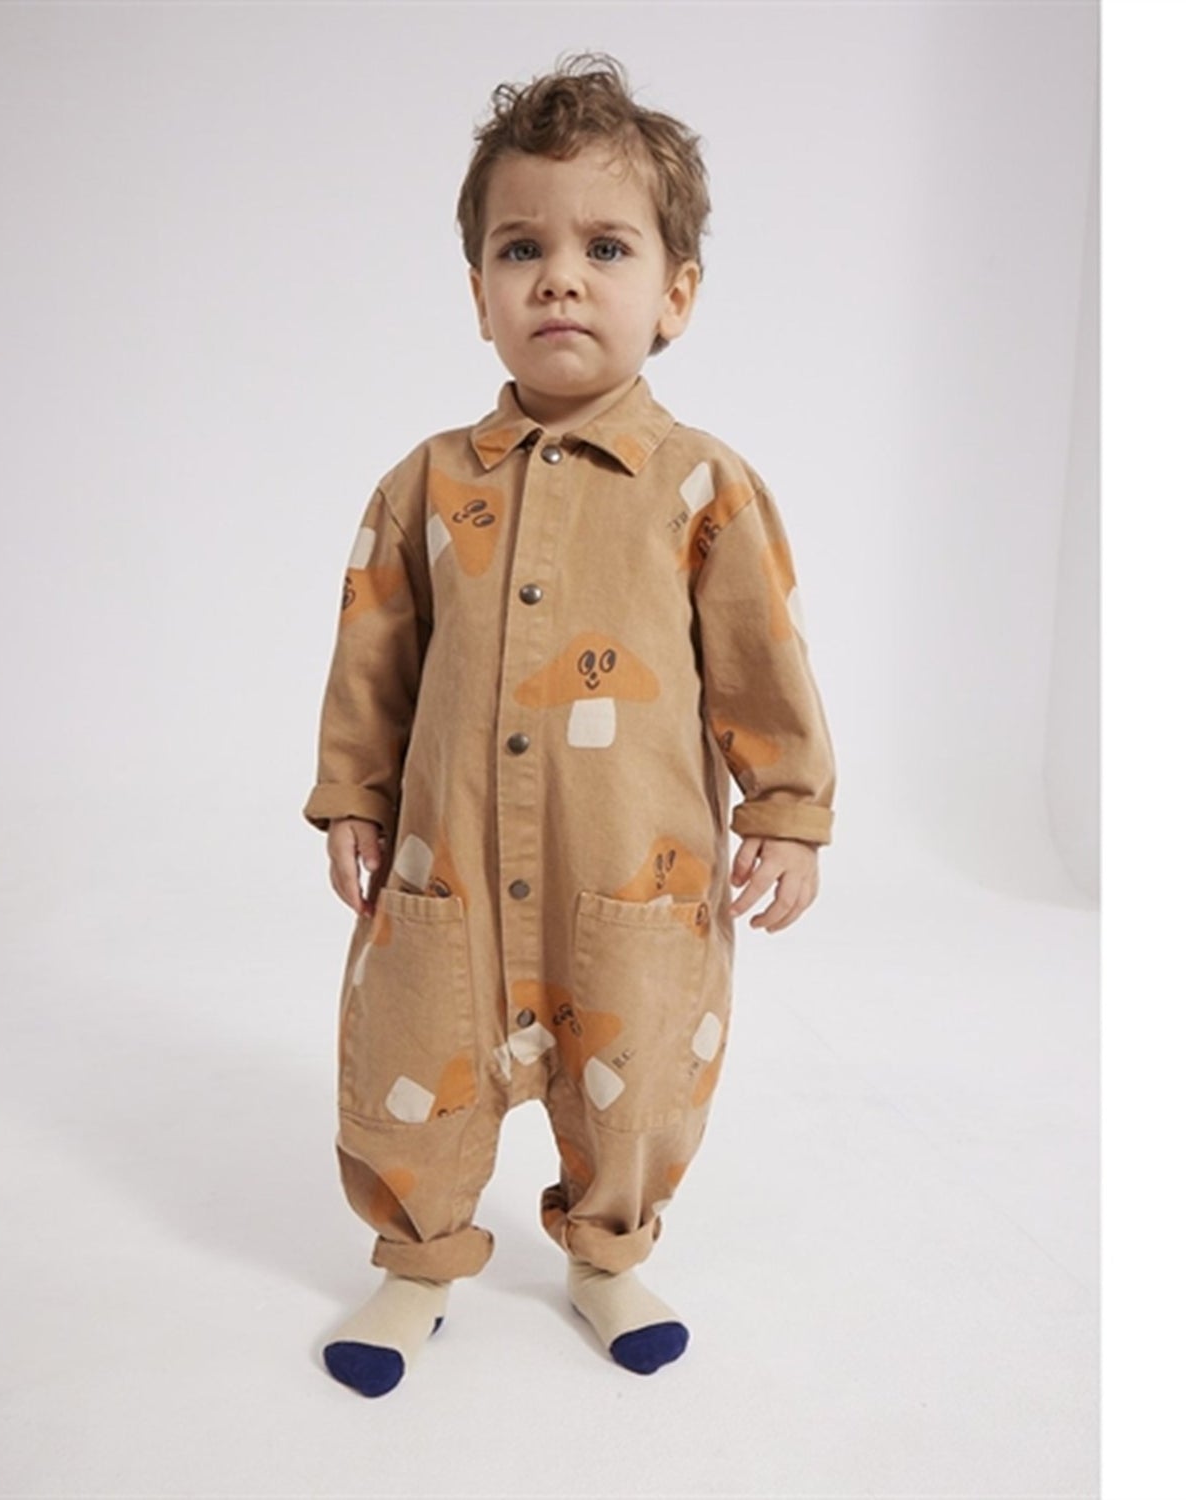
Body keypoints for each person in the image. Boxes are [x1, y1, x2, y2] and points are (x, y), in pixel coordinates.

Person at [302, 50, 837, 1398]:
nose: (559, 278)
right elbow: (373, 659)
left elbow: (763, 664)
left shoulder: (703, 488)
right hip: (450, 877)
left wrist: (786, 812)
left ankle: (608, 1254)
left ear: (675, 294)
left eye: (605, 247)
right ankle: (417, 1260)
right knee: (413, 1059)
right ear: (479, 293)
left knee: (638, 1077)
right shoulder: (424, 486)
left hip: (631, 882)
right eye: (520, 248)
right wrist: (354, 797)